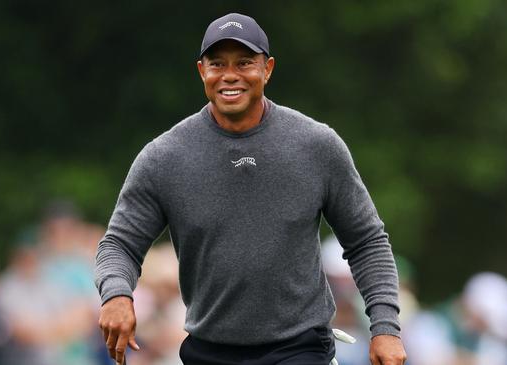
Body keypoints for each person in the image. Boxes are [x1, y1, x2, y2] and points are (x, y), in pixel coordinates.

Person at [95, 13, 407, 365]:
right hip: (209, 349)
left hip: (299, 348)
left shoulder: (316, 146)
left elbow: (367, 242)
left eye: (245, 63)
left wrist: (385, 327)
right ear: (202, 71)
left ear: (267, 69)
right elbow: (119, 244)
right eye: (218, 64)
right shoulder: (164, 158)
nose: (230, 75)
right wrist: (117, 294)